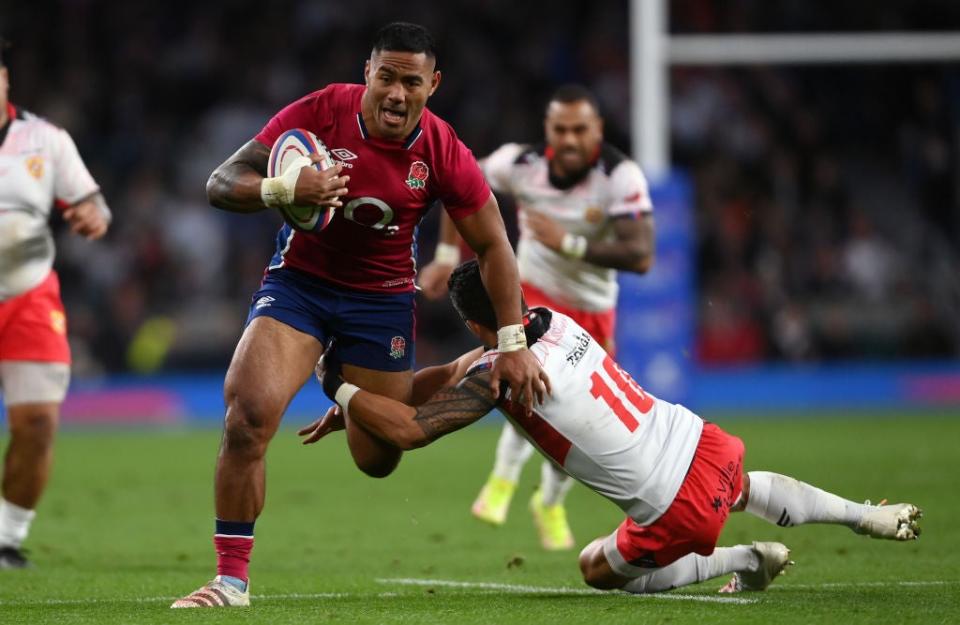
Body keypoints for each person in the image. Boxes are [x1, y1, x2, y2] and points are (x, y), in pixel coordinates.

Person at [171, 23, 548, 608]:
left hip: (381, 301)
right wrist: (285, 187)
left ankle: (454, 366)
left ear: (434, 85)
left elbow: (495, 244)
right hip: (300, 286)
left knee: (378, 459)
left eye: (412, 82)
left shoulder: (443, 149)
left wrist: (514, 338)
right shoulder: (322, 111)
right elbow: (221, 182)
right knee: (246, 416)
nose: (397, 94)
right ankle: (231, 581)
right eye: (387, 77)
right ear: (367, 72)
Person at [304, 259, 923, 596]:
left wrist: (339, 385)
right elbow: (445, 374)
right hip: (703, 442)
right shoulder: (551, 319)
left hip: (673, 509)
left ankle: (741, 557)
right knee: (741, 486)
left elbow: (410, 431)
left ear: (473, 327)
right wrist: (359, 407)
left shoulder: (501, 377)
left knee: (595, 567)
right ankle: (861, 514)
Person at [418, 85, 655, 550]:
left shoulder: (619, 176)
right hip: (534, 297)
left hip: (593, 310)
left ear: (597, 131)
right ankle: (503, 480)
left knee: (578, 415)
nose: (568, 140)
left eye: (579, 130)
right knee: (524, 382)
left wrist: (568, 243)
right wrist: (447, 253)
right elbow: (458, 185)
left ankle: (548, 500)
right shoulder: (521, 164)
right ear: (548, 130)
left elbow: (641, 255)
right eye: (560, 129)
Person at [0, 41, 112, 569]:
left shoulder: (46, 140)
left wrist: (92, 216)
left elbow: (92, 202)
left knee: (39, 422)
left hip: (29, 295)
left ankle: (6, 538)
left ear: (5, 79)